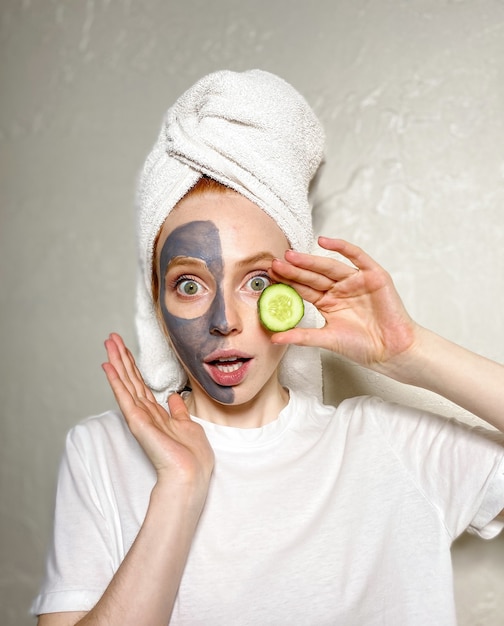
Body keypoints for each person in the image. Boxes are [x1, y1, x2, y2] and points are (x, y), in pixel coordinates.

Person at [32, 70, 504, 626]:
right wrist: (181, 489)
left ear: (296, 290)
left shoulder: (390, 447)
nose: (224, 321)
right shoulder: (103, 452)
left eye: (256, 281)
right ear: (156, 305)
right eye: (189, 284)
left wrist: (408, 350)